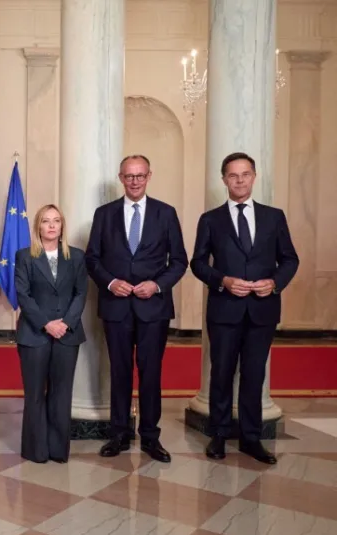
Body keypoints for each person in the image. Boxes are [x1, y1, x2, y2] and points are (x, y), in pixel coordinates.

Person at [190, 152, 299, 465]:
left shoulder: (274, 217)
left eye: (245, 174)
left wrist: (275, 282)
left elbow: (290, 259)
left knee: (254, 374)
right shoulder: (210, 219)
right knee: (221, 373)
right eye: (233, 175)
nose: (239, 180)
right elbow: (198, 263)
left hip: (262, 310)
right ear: (223, 180)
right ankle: (220, 434)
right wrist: (222, 280)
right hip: (224, 308)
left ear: (254, 177)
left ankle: (252, 438)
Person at [85, 155, 187, 463]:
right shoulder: (104, 214)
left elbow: (179, 261)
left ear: (149, 176)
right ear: (120, 177)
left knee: (151, 373)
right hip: (116, 306)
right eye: (129, 176)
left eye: (140, 175)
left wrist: (156, 285)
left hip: (153, 308)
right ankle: (119, 433)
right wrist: (111, 282)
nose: (134, 181)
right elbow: (92, 259)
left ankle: (151, 437)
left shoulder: (166, 213)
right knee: (119, 372)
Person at [14, 205, 88, 464]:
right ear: (38, 227)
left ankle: (58, 450)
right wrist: (47, 324)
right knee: (34, 393)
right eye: (46, 221)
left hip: (68, 335)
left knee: (61, 393)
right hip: (34, 334)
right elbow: (24, 295)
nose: (52, 225)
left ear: (62, 226)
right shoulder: (24, 256)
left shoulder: (77, 257)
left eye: (56, 220)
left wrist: (65, 323)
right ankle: (36, 450)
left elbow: (81, 293)